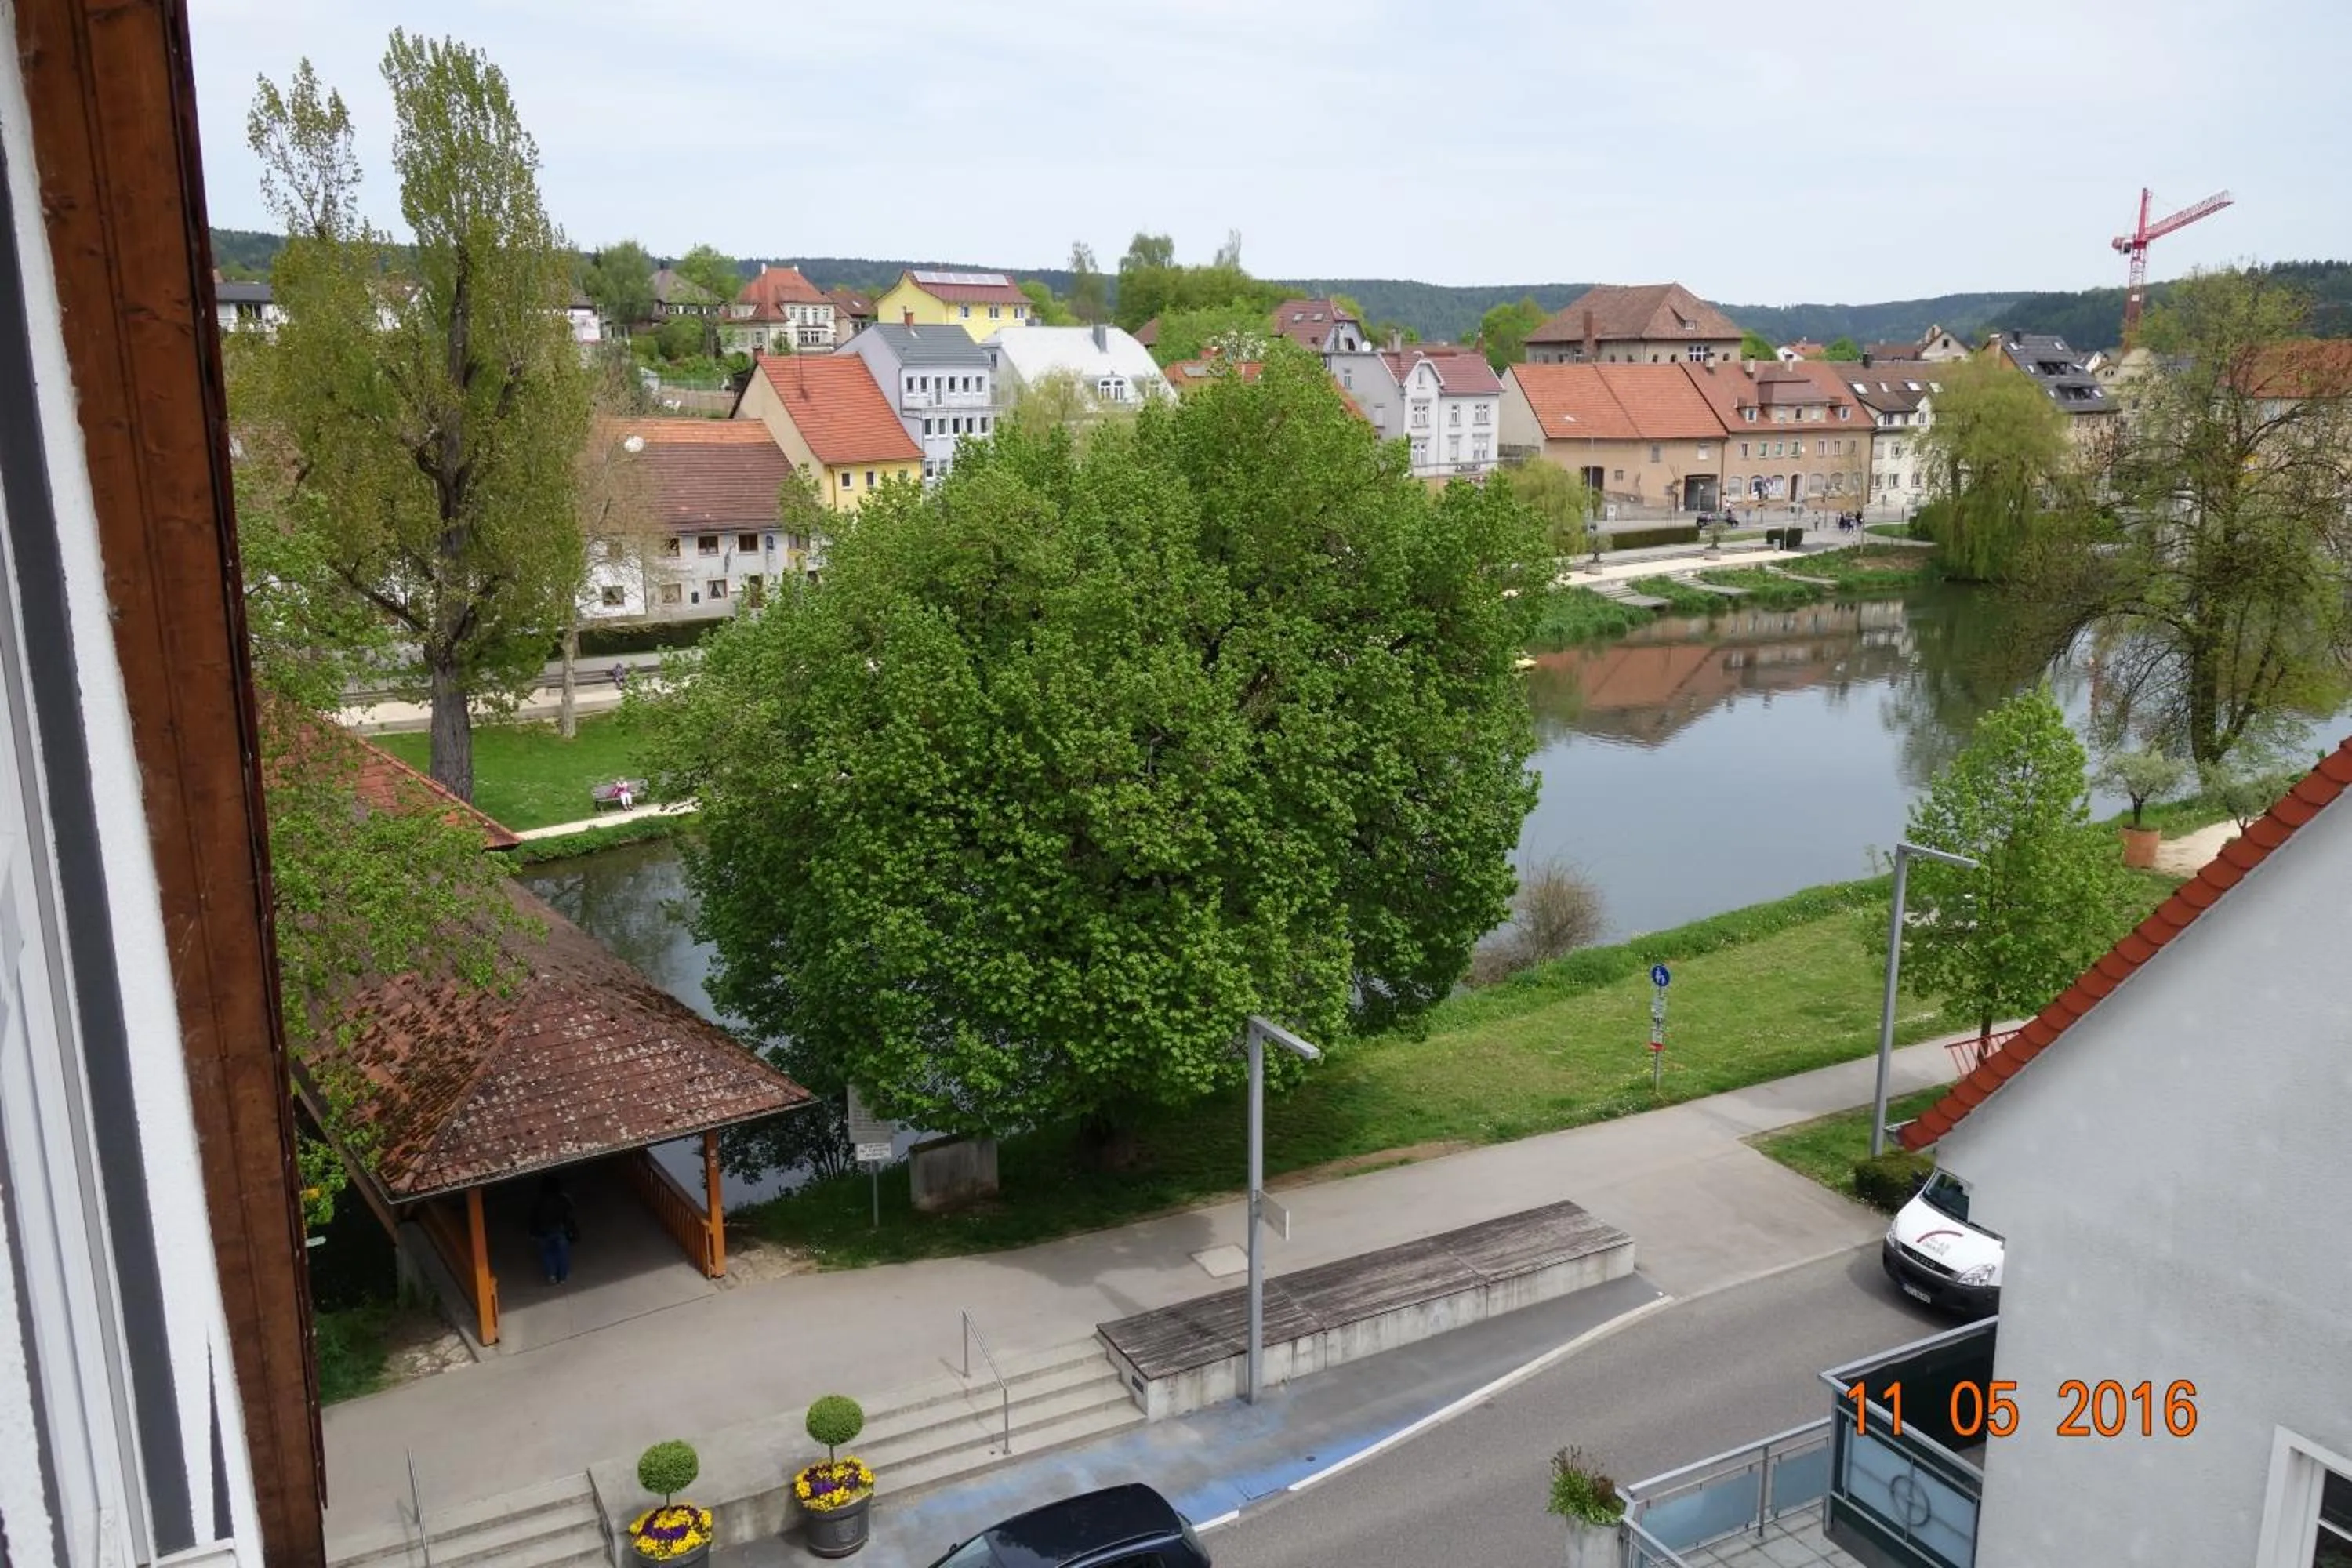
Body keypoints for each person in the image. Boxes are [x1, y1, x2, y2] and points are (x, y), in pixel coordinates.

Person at [528, 1174, 578, 1285]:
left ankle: (552, 1275)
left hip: (543, 1232)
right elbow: (570, 1211)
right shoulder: (562, 1198)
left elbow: (533, 1217)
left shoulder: (539, 1201)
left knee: (547, 1253)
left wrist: (532, 1232)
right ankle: (563, 1276)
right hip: (560, 1230)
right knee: (562, 1253)